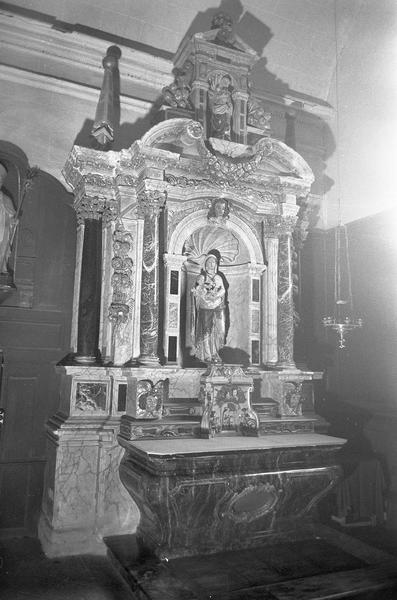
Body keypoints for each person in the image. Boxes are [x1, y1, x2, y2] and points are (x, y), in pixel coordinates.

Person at [191, 253, 226, 363]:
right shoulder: (201, 277)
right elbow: (196, 291)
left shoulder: (218, 278)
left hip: (217, 306)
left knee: (219, 329)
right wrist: (205, 295)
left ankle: (215, 352)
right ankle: (207, 355)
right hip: (205, 307)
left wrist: (215, 295)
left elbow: (223, 290)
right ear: (205, 264)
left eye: (213, 262)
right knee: (206, 331)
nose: (211, 264)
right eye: (209, 262)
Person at [0, 163, 16, 275]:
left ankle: (2, 268)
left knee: (2, 249)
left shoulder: (6, 199)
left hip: (2, 231)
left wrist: (13, 222)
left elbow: (11, 218)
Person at [208, 75, 233, 140]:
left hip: (224, 111)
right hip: (216, 109)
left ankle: (222, 134)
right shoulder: (216, 90)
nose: (226, 83)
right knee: (216, 122)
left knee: (223, 123)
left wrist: (228, 107)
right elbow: (211, 98)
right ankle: (215, 134)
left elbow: (229, 104)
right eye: (225, 81)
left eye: (228, 82)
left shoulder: (228, 94)